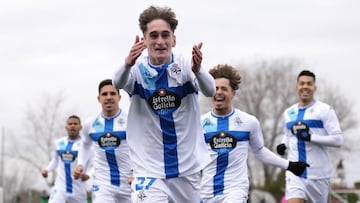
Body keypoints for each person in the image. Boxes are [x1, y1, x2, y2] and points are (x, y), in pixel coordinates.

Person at [112, 5, 216, 203]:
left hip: (186, 167)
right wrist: (127, 62)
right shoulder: (136, 69)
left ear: (173, 40)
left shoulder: (186, 65)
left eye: (165, 35)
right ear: (144, 40)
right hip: (148, 168)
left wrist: (198, 70)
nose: (160, 41)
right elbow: (117, 82)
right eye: (153, 35)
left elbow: (210, 90)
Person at [200, 64, 309, 203]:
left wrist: (289, 165)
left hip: (235, 190)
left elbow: (259, 151)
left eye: (224, 89)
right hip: (206, 192)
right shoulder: (200, 123)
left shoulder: (249, 122)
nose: (218, 92)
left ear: (233, 93)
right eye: (215, 88)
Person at [276, 70, 343, 203]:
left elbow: (338, 139)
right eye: (302, 83)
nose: (305, 87)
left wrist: (311, 138)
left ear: (314, 88)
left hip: (318, 175)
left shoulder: (325, 110)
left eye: (309, 84)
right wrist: (283, 145)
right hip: (295, 172)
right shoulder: (288, 112)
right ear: (297, 87)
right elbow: (287, 134)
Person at [73, 79, 132, 203]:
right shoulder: (90, 124)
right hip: (103, 183)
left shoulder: (130, 121)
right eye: (104, 94)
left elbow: (142, 148)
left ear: (119, 97)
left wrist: (137, 173)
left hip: (129, 182)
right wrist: (81, 164)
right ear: (99, 98)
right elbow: (85, 145)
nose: (109, 97)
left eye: (112, 93)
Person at [41, 115, 90, 203]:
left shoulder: (85, 145)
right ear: (66, 127)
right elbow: (56, 160)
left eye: (75, 124)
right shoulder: (59, 143)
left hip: (78, 189)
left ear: (80, 127)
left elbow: (95, 163)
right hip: (61, 187)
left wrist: (89, 175)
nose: (72, 126)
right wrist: (47, 170)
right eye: (70, 124)